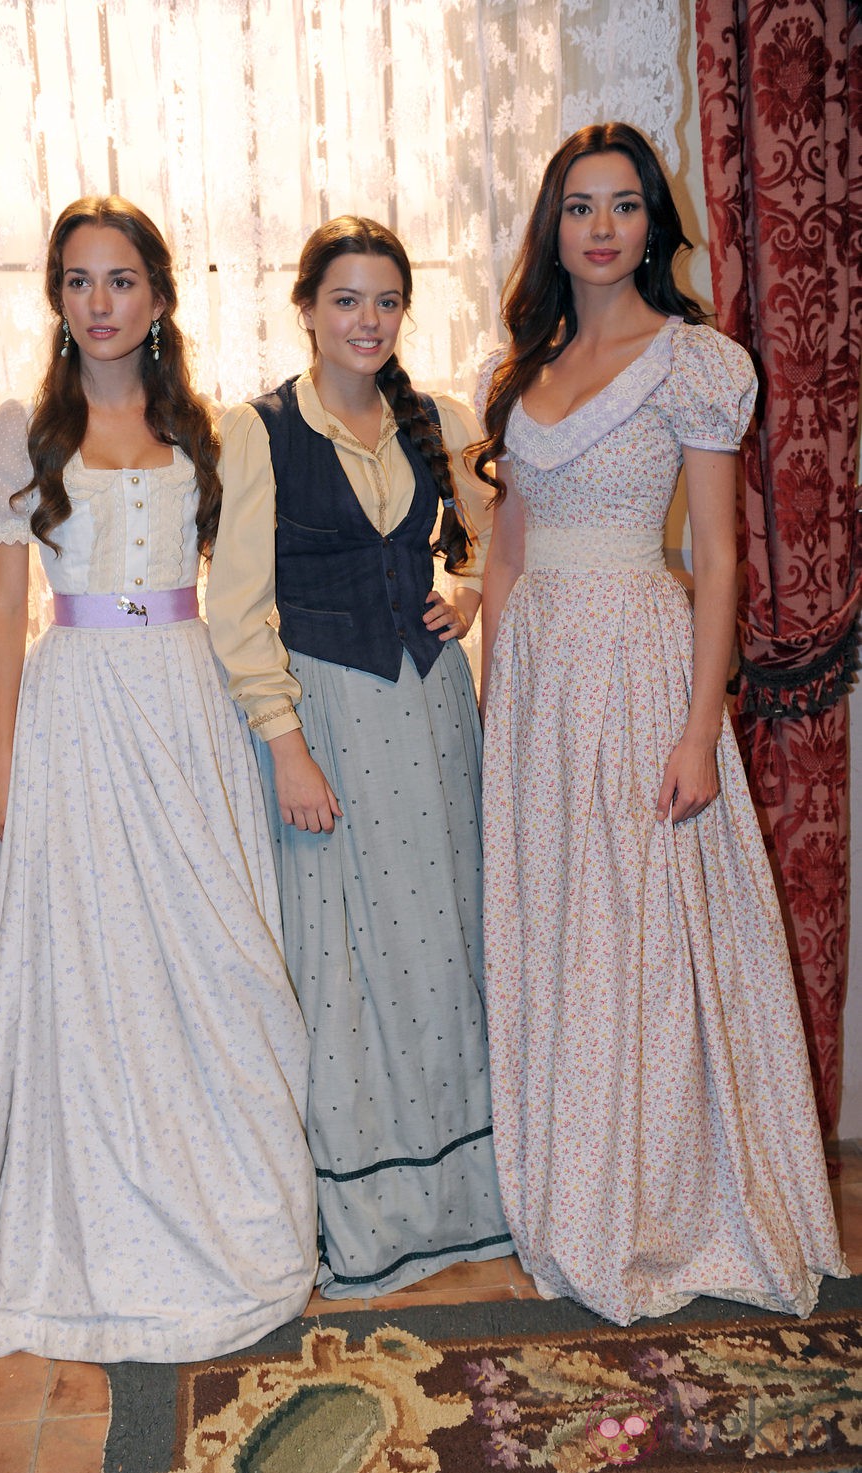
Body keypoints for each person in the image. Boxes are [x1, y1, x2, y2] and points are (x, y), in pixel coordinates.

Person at [0, 197, 317, 1362]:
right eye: (78, 281)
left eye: (120, 279)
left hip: (182, 706)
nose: (99, 301)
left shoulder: (219, 435)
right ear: (57, 300)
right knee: (91, 970)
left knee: (212, 965)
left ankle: (227, 1223)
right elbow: (2, 610)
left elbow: (243, 602)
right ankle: (94, 1235)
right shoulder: (18, 436)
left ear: (159, 294)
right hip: (75, 712)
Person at [476, 123, 846, 1325]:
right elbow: (508, 544)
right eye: (577, 205)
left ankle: (660, 1200)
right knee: (563, 929)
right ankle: (571, 1184)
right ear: (553, 226)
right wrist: (495, 696)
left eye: (621, 204)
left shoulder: (693, 360)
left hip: (638, 660)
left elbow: (721, 562)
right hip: (538, 677)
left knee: (642, 935)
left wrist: (700, 726)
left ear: (651, 223)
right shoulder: (521, 369)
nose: (598, 226)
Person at [206, 216, 512, 1299]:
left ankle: (468, 1201)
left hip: (429, 716)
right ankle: (365, 1213)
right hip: (323, 718)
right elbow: (235, 607)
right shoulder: (255, 432)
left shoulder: (438, 419)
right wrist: (284, 748)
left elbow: (504, 529)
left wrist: (468, 594)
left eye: (385, 300)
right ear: (306, 309)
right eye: (346, 300)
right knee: (340, 963)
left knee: (443, 947)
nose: (367, 321)